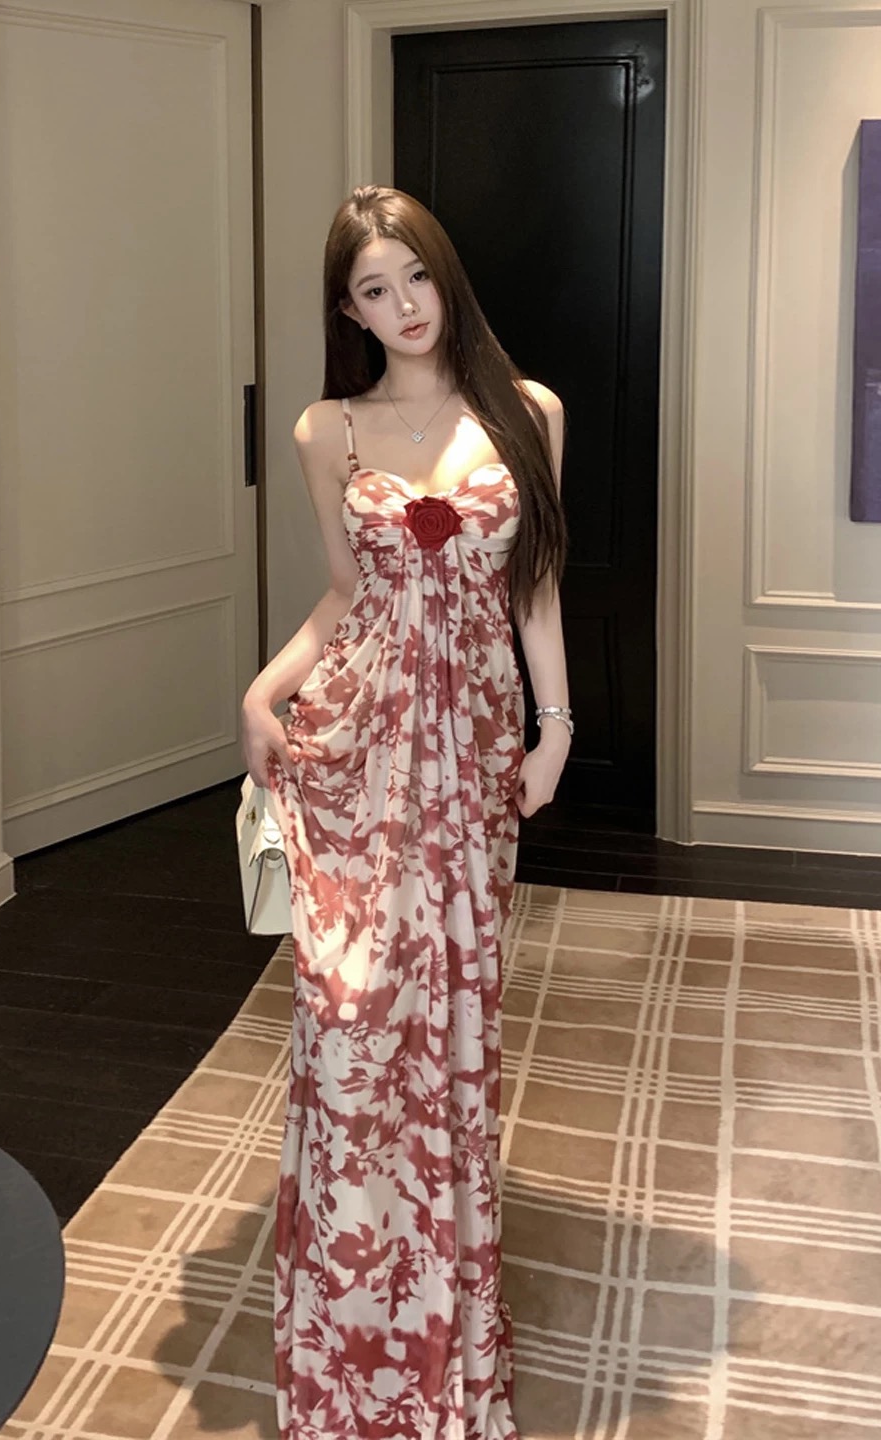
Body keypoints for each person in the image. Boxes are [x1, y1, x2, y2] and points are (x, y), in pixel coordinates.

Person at [241, 184, 570, 1440]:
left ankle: (444, 1321)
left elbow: (533, 588)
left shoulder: (528, 413)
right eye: (374, 292)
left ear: (446, 273)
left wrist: (556, 728)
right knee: (349, 1017)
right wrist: (264, 690)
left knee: (451, 1025)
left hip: (471, 761)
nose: (404, 306)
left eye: (416, 277)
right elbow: (344, 594)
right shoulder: (327, 428)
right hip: (362, 751)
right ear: (350, 311)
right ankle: (352, 1320)